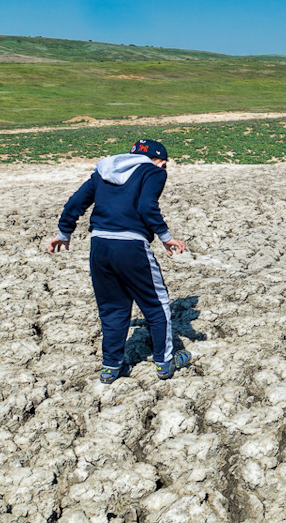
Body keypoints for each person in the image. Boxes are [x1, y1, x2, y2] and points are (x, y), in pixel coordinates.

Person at [48, 139, 192, 384]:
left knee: (112, 308)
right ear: (162, 162)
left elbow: (76, 202)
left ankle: (111, 368)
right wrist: (166, 238)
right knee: (157, 304)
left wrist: (64, 232)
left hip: (99, 244)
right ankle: (165, 363)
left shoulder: (103, 170)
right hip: (131, 245)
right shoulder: (153, 171)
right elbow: (147, 206)